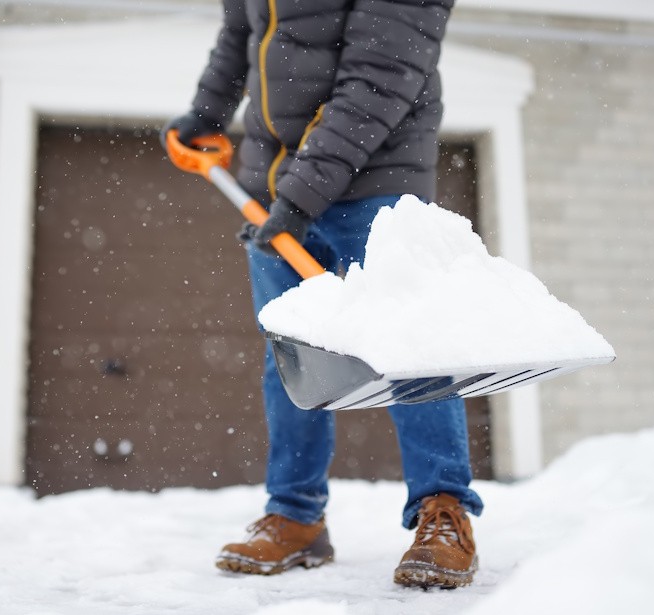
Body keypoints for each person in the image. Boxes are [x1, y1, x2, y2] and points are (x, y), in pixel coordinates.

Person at [162, 0, 483, 589]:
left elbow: (382, 73)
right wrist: (206, 114)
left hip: (377, 178)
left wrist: (300, 195)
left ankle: (444, 511)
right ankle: (295, 513)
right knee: (290, 356)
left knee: (412, 345)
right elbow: (244, 32)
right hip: (276, 182)